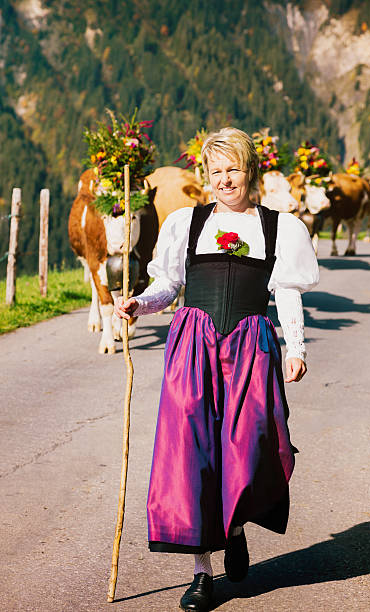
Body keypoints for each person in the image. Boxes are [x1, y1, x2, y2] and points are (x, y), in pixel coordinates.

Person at [114, 127, 319, 611]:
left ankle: (237, 525)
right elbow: (168, 286)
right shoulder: (186, 223)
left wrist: (296, 348)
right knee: (189, 451)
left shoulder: (279, 227)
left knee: (246, 447)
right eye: (216, 170)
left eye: (233, 169)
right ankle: (201, 572)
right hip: (194, 345)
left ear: (251, 171)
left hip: (251, 345)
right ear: (207, 175)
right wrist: (139, 304)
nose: (225, 179)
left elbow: (286, 292)